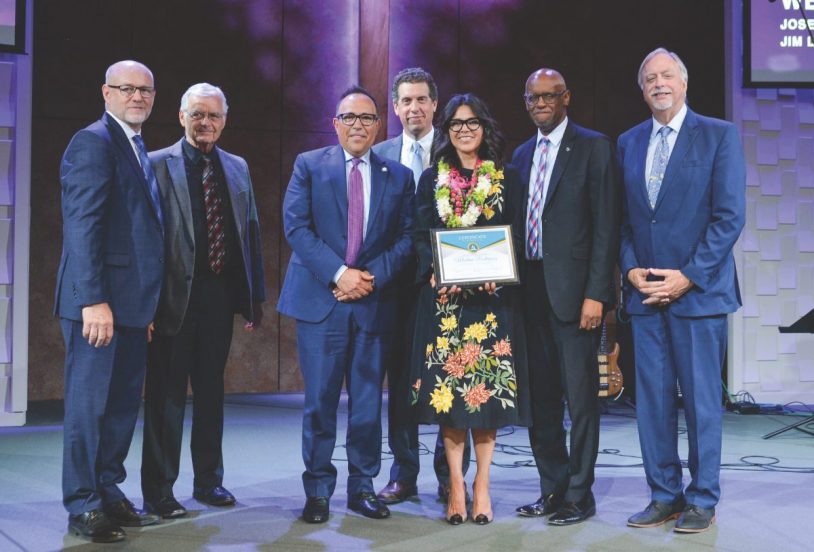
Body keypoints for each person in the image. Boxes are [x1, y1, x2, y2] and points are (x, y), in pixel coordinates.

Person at [618, 48, 745, 533]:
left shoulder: (718, 135)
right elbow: (626, 220)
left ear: (684, 82)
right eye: (649, 78)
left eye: (666, 75)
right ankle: (664, 495)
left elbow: (729, 217)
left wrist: (687, 275)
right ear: (642, 88)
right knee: (651, 402)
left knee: (701, 403)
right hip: (646, 296)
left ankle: (702, 498)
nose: (658, 83)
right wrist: (629, 269)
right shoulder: (628, 142)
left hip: (698, 295)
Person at [277, 86, 414, 524]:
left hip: (373, 304)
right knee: (319, 401)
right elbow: (296, 227)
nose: (358, 125)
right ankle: (317, 491)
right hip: (322, 303)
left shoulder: (399, 175)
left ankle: (362, 487)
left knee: (368, 403)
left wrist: (368, 278)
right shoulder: (309, 165)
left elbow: (407, 238)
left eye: (367, 118)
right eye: (349, 117)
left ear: (379, 126)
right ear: (334, 123)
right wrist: (341, 274)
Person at [140, 83, 266, 518]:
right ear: (181, 117)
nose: (205, 123)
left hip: (217, 298)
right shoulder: (156, 164)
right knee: (166, 397)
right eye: (197, 115)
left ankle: (209, 481)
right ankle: (159, 491)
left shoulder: (237, 167)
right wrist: (146, 306)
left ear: (224, 121)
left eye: (213, 116)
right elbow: (145, 241)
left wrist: (254, 300)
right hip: (172, 299)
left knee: (211, 393)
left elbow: (249, 232)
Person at [56, 60, 163, 543]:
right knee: (89, 407)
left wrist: (144, 308)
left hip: (132, 308)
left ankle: (107, 487)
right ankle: (82, 503)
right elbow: (82, 227)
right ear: (106, 92)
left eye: (144, 90)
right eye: (126, 88)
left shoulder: (137, 148)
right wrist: (92, 301)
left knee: (120, 407)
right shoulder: (93, 142)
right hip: (97, 307)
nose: (136, 96)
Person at [411, 93, 529, 525]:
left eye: (472, 123)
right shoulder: (431, 179)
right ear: (447, 131)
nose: (464, 130)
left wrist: (501, 269)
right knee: (451, 402)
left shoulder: (506, 177)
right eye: (456, 124)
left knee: (486, 398)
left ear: (485, 128)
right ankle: (456, 487)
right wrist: (434, 270)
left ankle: (482, 486)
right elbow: (421, 235)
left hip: (491, 305)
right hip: (446, 306)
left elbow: (514, 235)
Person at [512, 69, 620, 526]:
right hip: (527, 293)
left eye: (548, 96)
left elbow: (606, 226)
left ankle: (580, 494)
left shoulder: (593, 147)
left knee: (581, 401)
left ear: (566, 99)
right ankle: (552, 489)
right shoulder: (519, 155)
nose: (540, 103)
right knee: (539, 401)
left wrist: (598, 294)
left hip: (576, 297)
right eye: (532, 97)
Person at [372, 67, 470, 505]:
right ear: (395, 108)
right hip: (397, 289)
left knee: (455, 378)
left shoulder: (459, 154)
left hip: (450, 289)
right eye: (405, 101)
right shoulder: (378, 156)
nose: (414, 107)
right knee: (401, 385)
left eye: (422, 100)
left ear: (435, 105)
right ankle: (403, 472)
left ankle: (451, 475)